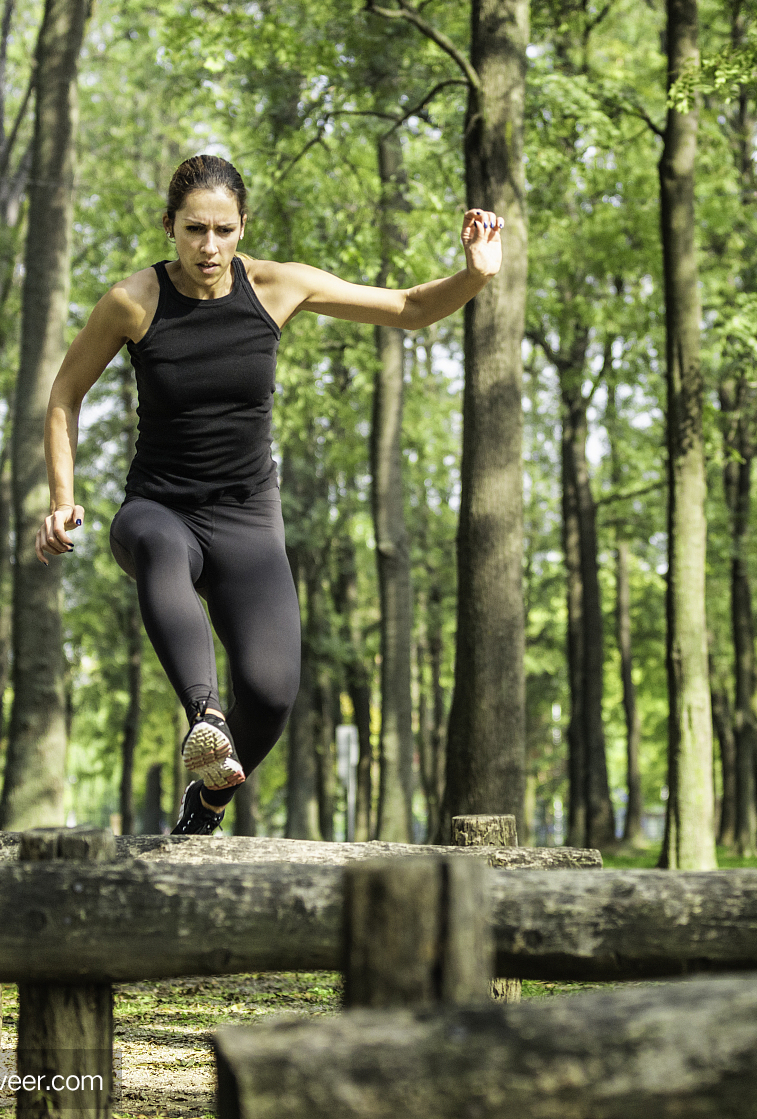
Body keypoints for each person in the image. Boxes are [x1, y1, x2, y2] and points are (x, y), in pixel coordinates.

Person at [35, 154, 503, 835]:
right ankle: (206, 717)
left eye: (224, 229)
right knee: (161, 548)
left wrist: (474, 273)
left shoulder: (278, 287)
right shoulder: (133, 301)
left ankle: (208, 802)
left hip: (248, 520)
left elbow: (408, 309)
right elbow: (64, 394)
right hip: (159, 507)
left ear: (242, 225)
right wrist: (61, 496)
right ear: (170, 226)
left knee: (273, 690)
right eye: (195, 229)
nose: (210, 246)